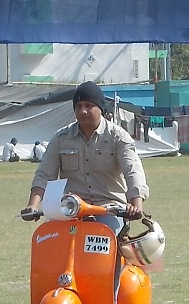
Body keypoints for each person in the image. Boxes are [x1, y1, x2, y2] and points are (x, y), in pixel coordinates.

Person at [21, 80, 147, 233]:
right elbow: (44, 174)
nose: (83, 111)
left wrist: (136, 205)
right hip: (70, 210)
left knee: (109, 244)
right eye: (79, 106)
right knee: (51, 242)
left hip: (109, 210)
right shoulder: (61, 138)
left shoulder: (118, 137)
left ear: (100, 108)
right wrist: (32, 205)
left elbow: (133, 171)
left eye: (89, 106)